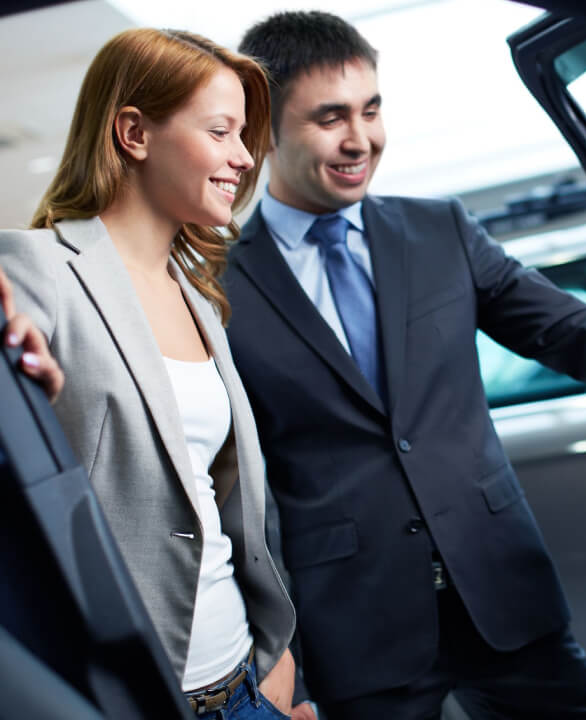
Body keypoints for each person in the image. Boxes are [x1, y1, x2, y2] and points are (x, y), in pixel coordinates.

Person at [226, 11, 586, 719]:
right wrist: (275, 657)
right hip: (354, 624)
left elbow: (569, 328)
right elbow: (227, 491)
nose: (360, 139)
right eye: (329, 117)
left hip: (499, 588)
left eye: (371, 110)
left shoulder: (439, 231)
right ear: (262, 127)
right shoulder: (214, 285)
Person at [0, 29, 298, 719]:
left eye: (244, 135)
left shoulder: (198, 297)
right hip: (137, 691)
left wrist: (279, 657)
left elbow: (224, 507)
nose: (243, 157)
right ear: (134, 132)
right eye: (221, 131)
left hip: (246, 683)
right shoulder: (32, 269)